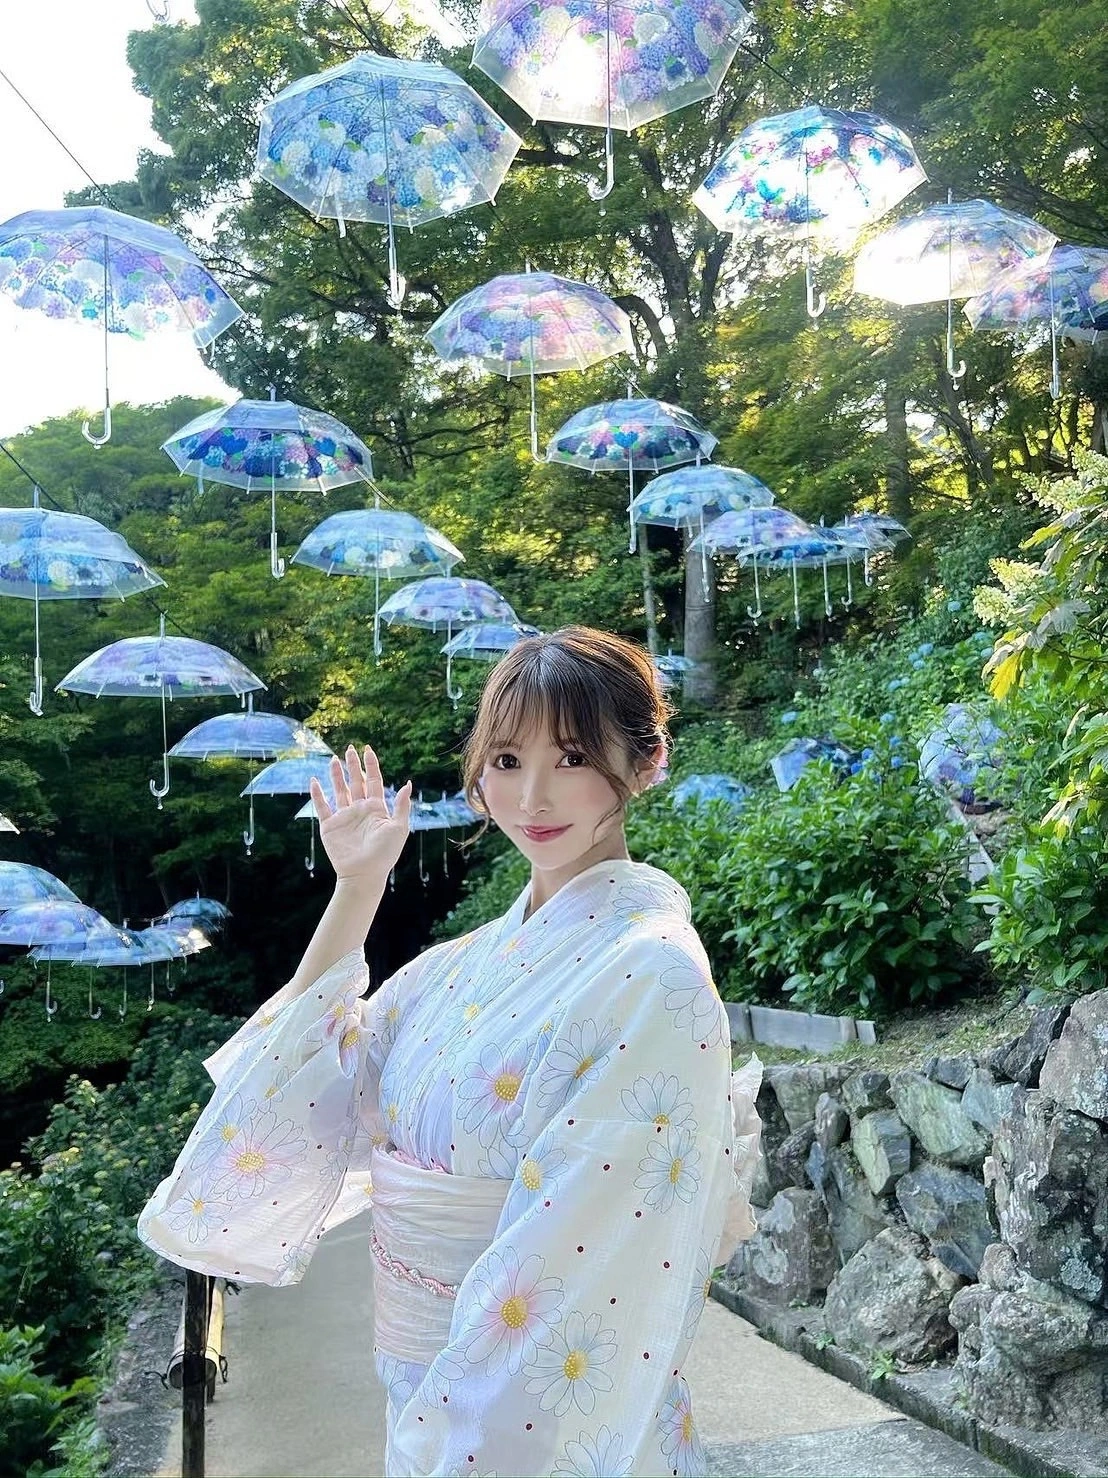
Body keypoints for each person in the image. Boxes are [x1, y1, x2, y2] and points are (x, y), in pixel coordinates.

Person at [138, 626, 763, 1477]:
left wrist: (457, 1441)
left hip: (520, 1413)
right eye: (506, 761)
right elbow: (304, 1073)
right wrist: (357, 888)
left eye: (572, 757)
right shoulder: (458, 966)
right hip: (418, 1386)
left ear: (647, 761)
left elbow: (586, 1265)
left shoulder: (653, 972)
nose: (532, 795)